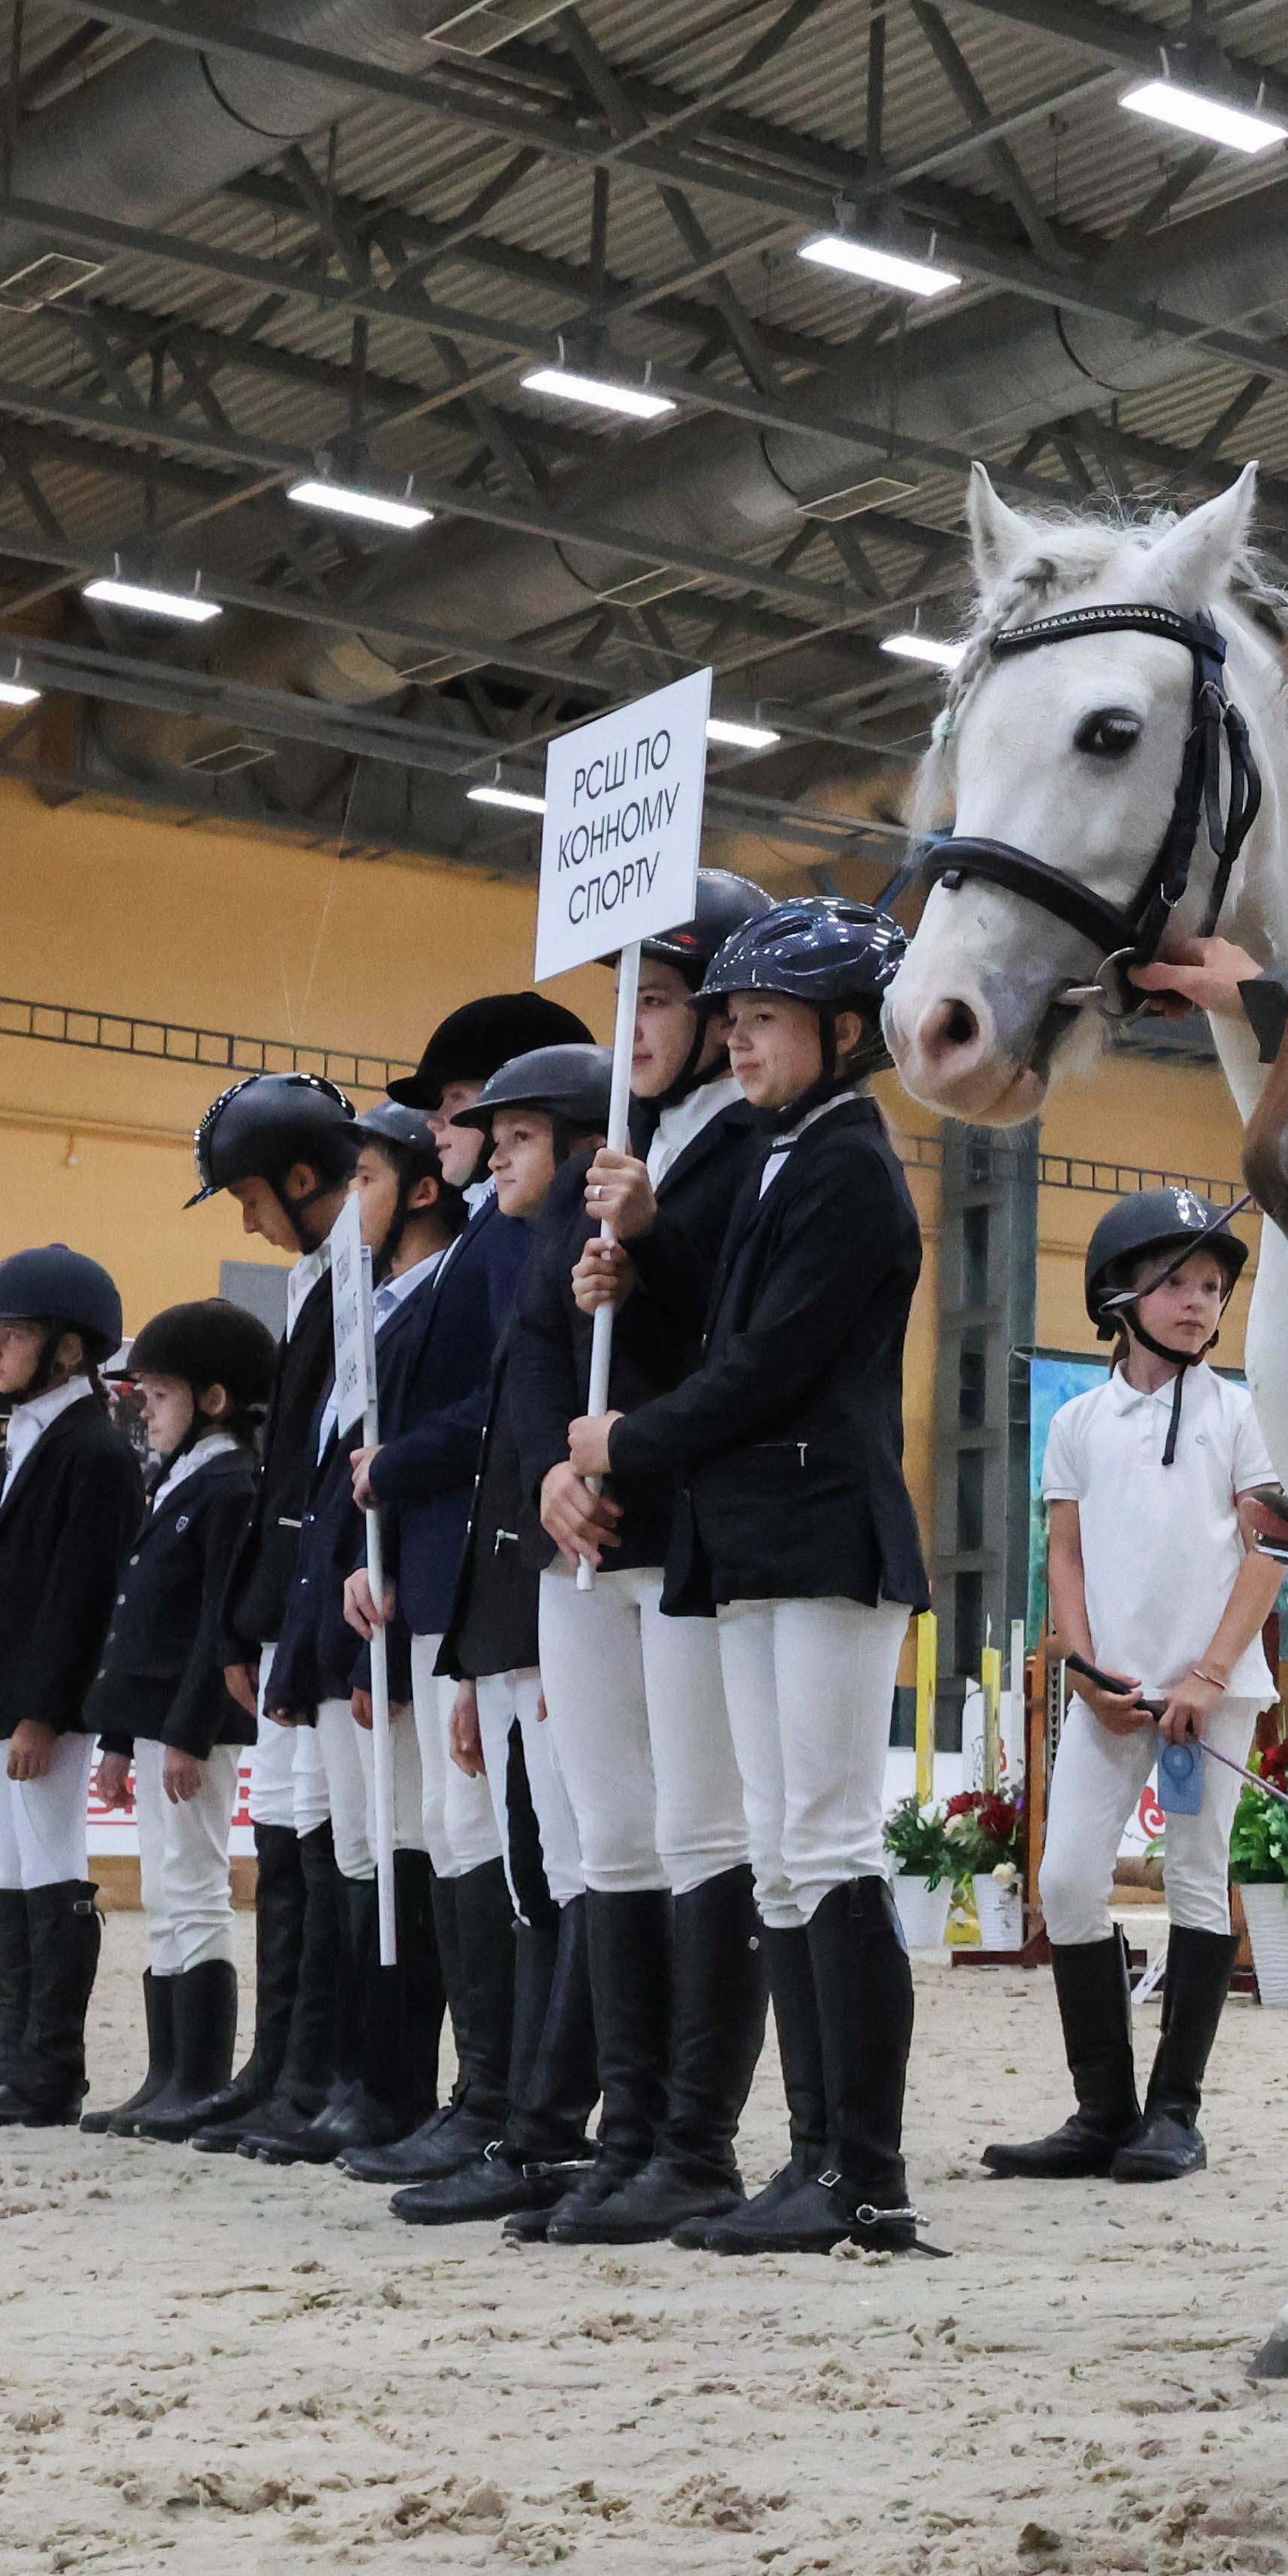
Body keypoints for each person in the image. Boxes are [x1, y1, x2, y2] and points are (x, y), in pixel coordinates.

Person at [561, 895, 929, 2259]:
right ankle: (814, 2155)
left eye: (765, 1021)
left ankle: (866, 2173)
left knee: (826, 1845)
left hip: (825, 1533)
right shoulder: (785, 1153)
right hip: (757, 1539)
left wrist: (627, 1439)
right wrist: (648, 1251)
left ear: (843, 1034)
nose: (741, 1040)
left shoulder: (847, 1165)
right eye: (736, 1019)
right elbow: (726, 1321)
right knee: (779, 1855)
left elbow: (768, 1364)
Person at [524, 868, 772, 2246]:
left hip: (690, 1526)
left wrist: (655, 1236)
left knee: (697, 1833)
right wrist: (558, 1473)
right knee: (612, 1835)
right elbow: (559, 1351)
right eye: (622, 1000)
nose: (635, 1025)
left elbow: (745, 1333)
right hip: (591, 1531)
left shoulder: (744, 1150)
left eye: (663, 999)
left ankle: (697, 2137)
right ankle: (626, 2132)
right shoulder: (613, 1159)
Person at [991, 1189, 1283, 2187]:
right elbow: (1062, 1556)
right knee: (1068, 1880)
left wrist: (1206, 1674)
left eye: (1213, 1287)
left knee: (1198, 1882)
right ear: (1117, 1292)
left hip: (1213, 1695)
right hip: (1106, 1696)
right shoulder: (1078, 1423)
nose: (1200, 1302)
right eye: (1178, 1283)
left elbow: (1268, 1553)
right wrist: (1083, 1665)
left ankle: (1175, 2114)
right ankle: (1102, 2110)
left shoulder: (1246, 1415)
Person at [404, 1036, 633, 2229]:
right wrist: (475, 1656)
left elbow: (558, 1454)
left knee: (575, 1872)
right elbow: (504, 1468)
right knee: (535, 1880)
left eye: (521, 1139)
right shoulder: (527, 1259)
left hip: (561, 1606)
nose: (495, 1159)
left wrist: (541, 1644)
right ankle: (522, 2118)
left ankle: (548, 2125)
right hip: (508, 1612)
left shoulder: (581, 1266)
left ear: (587, 1141)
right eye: (493, 1140)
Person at [177, 1069, 370, 2156]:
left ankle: (328, 2071)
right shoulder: (309, 1281)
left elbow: (321, 1472)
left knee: (334, 1843)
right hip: (291, 1601)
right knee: (288, 1840)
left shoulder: (361, 1277)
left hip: (336, 1599)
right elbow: (282, 1470)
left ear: (304, 1176)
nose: (247, 1220)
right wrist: (254, 1617)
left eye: (252, 1196)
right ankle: (283, 2064)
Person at [0, 1248, 135, 2127]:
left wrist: (46, 1709)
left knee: (49, 1867)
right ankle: (13, 2061)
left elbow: (82, 1594)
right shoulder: (15, 1447)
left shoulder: (97, 1451)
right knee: (9, 1873)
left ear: (69, 1348)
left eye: (11, 1335)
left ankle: (50, 2068)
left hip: (47, 1704)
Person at [326, 1095, 497, 2184]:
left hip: (469, 1579)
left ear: (423, 1186)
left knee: (469, 1834)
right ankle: (401, 2082)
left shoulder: (465, 1274)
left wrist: (395, 1473)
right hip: (401, 1586)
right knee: (430, 1831)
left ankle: (487, 2093)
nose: (350, 1206)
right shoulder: (366, 1302)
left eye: (366, 1182)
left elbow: (486, 1413)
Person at [81, 1300, 279, 2137]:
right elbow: (139, 1620)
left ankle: (196, 2073)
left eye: (159, 1397)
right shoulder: (182, 1481)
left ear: (216, 1400)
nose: (146, 1413)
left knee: (195, 1888)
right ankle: (166, 2072)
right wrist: (122, 1739)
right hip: (156, 1721)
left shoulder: (232, 1485)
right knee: (163, 1890)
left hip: (196, 1727)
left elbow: (215, 1624)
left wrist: (190, 1731)